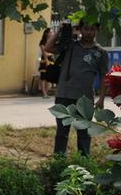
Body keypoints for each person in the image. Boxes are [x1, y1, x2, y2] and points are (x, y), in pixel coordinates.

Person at [45, 21, 109, 157]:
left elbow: (104, 77)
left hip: (85, 99)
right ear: (80, 30)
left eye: (92, 29)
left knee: (84, 133)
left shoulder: (101, 53)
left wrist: (101, 99)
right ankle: (59, 160)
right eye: (86, 29)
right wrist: (61, 29)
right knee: (62, 132)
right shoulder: (69, 45)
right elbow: (48, 48)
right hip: (64, 94)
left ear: (97, 31)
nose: (89, 32)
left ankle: (84, 162)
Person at [38, 28, 54, 98]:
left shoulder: (52, 41)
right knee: (43, 77)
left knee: (49, 77)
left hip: (51, 59)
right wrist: (46, 60)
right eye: (50, 32)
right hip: (45, 60)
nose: (51, 33)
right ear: (46, 33)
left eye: (52, 32)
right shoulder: (42, 42)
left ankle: (46, 93)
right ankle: (44, 93)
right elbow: (44, 52)